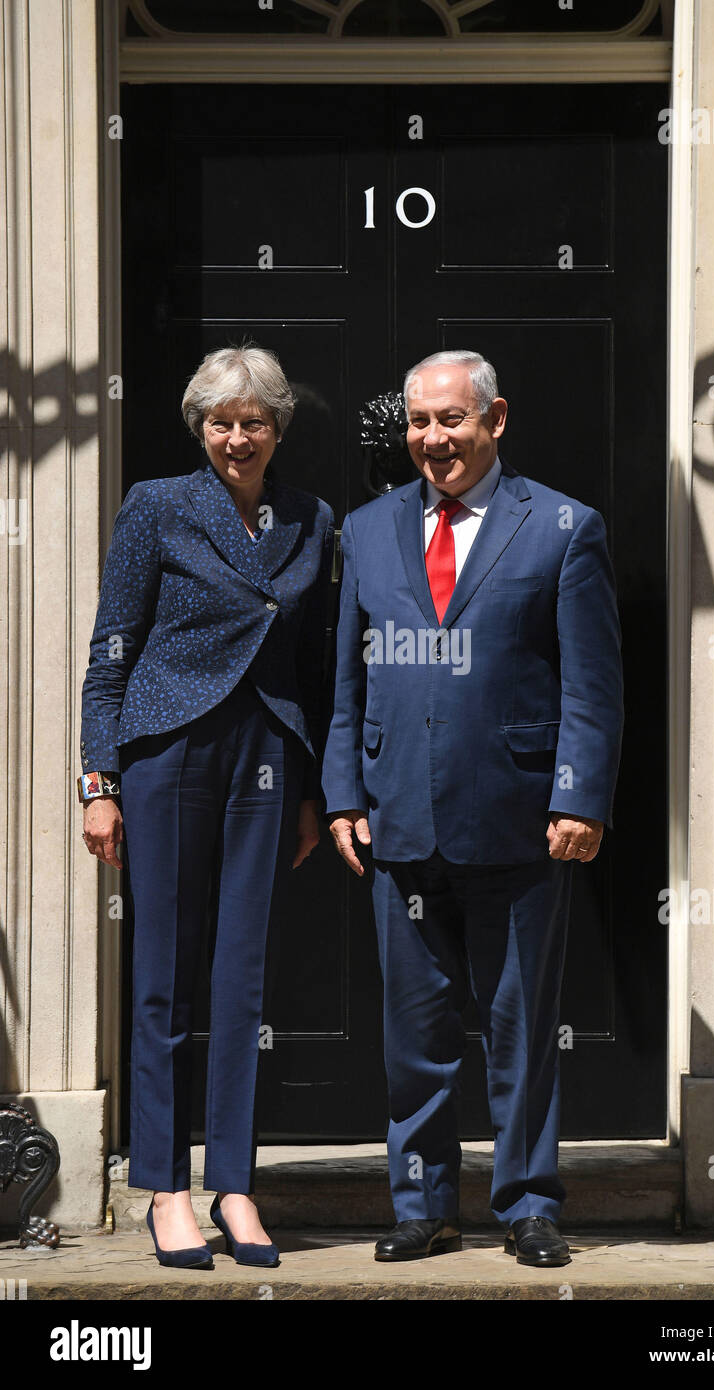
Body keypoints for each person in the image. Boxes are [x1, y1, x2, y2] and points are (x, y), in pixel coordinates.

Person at [323, 349, 623, 1268]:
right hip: (399, 816)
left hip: (521, 818)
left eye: (452, 420)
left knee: (520, 1030)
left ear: (495, 420)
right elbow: (347, 679)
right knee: (414, 1037)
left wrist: (580, 795)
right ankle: (424, 1206)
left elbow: (592, 683)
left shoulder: (564, 527)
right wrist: (342, 794)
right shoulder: (367, 531)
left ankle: (528, 1203)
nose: (434, 439)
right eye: (419, 422)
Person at [80, 344, 334, 1268]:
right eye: (221, 422)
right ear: (202, 428)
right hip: (168, 753)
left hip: (265, 753)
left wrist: (311, 787)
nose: (237, 436)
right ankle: (166, 1189)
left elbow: (312, 663)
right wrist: (98, 780)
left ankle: (234, 1184)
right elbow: (113, 644)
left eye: (254, 421)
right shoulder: (156, 505)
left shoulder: (311, 519)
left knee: (241, 978)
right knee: (164, 978)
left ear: (278, 429)